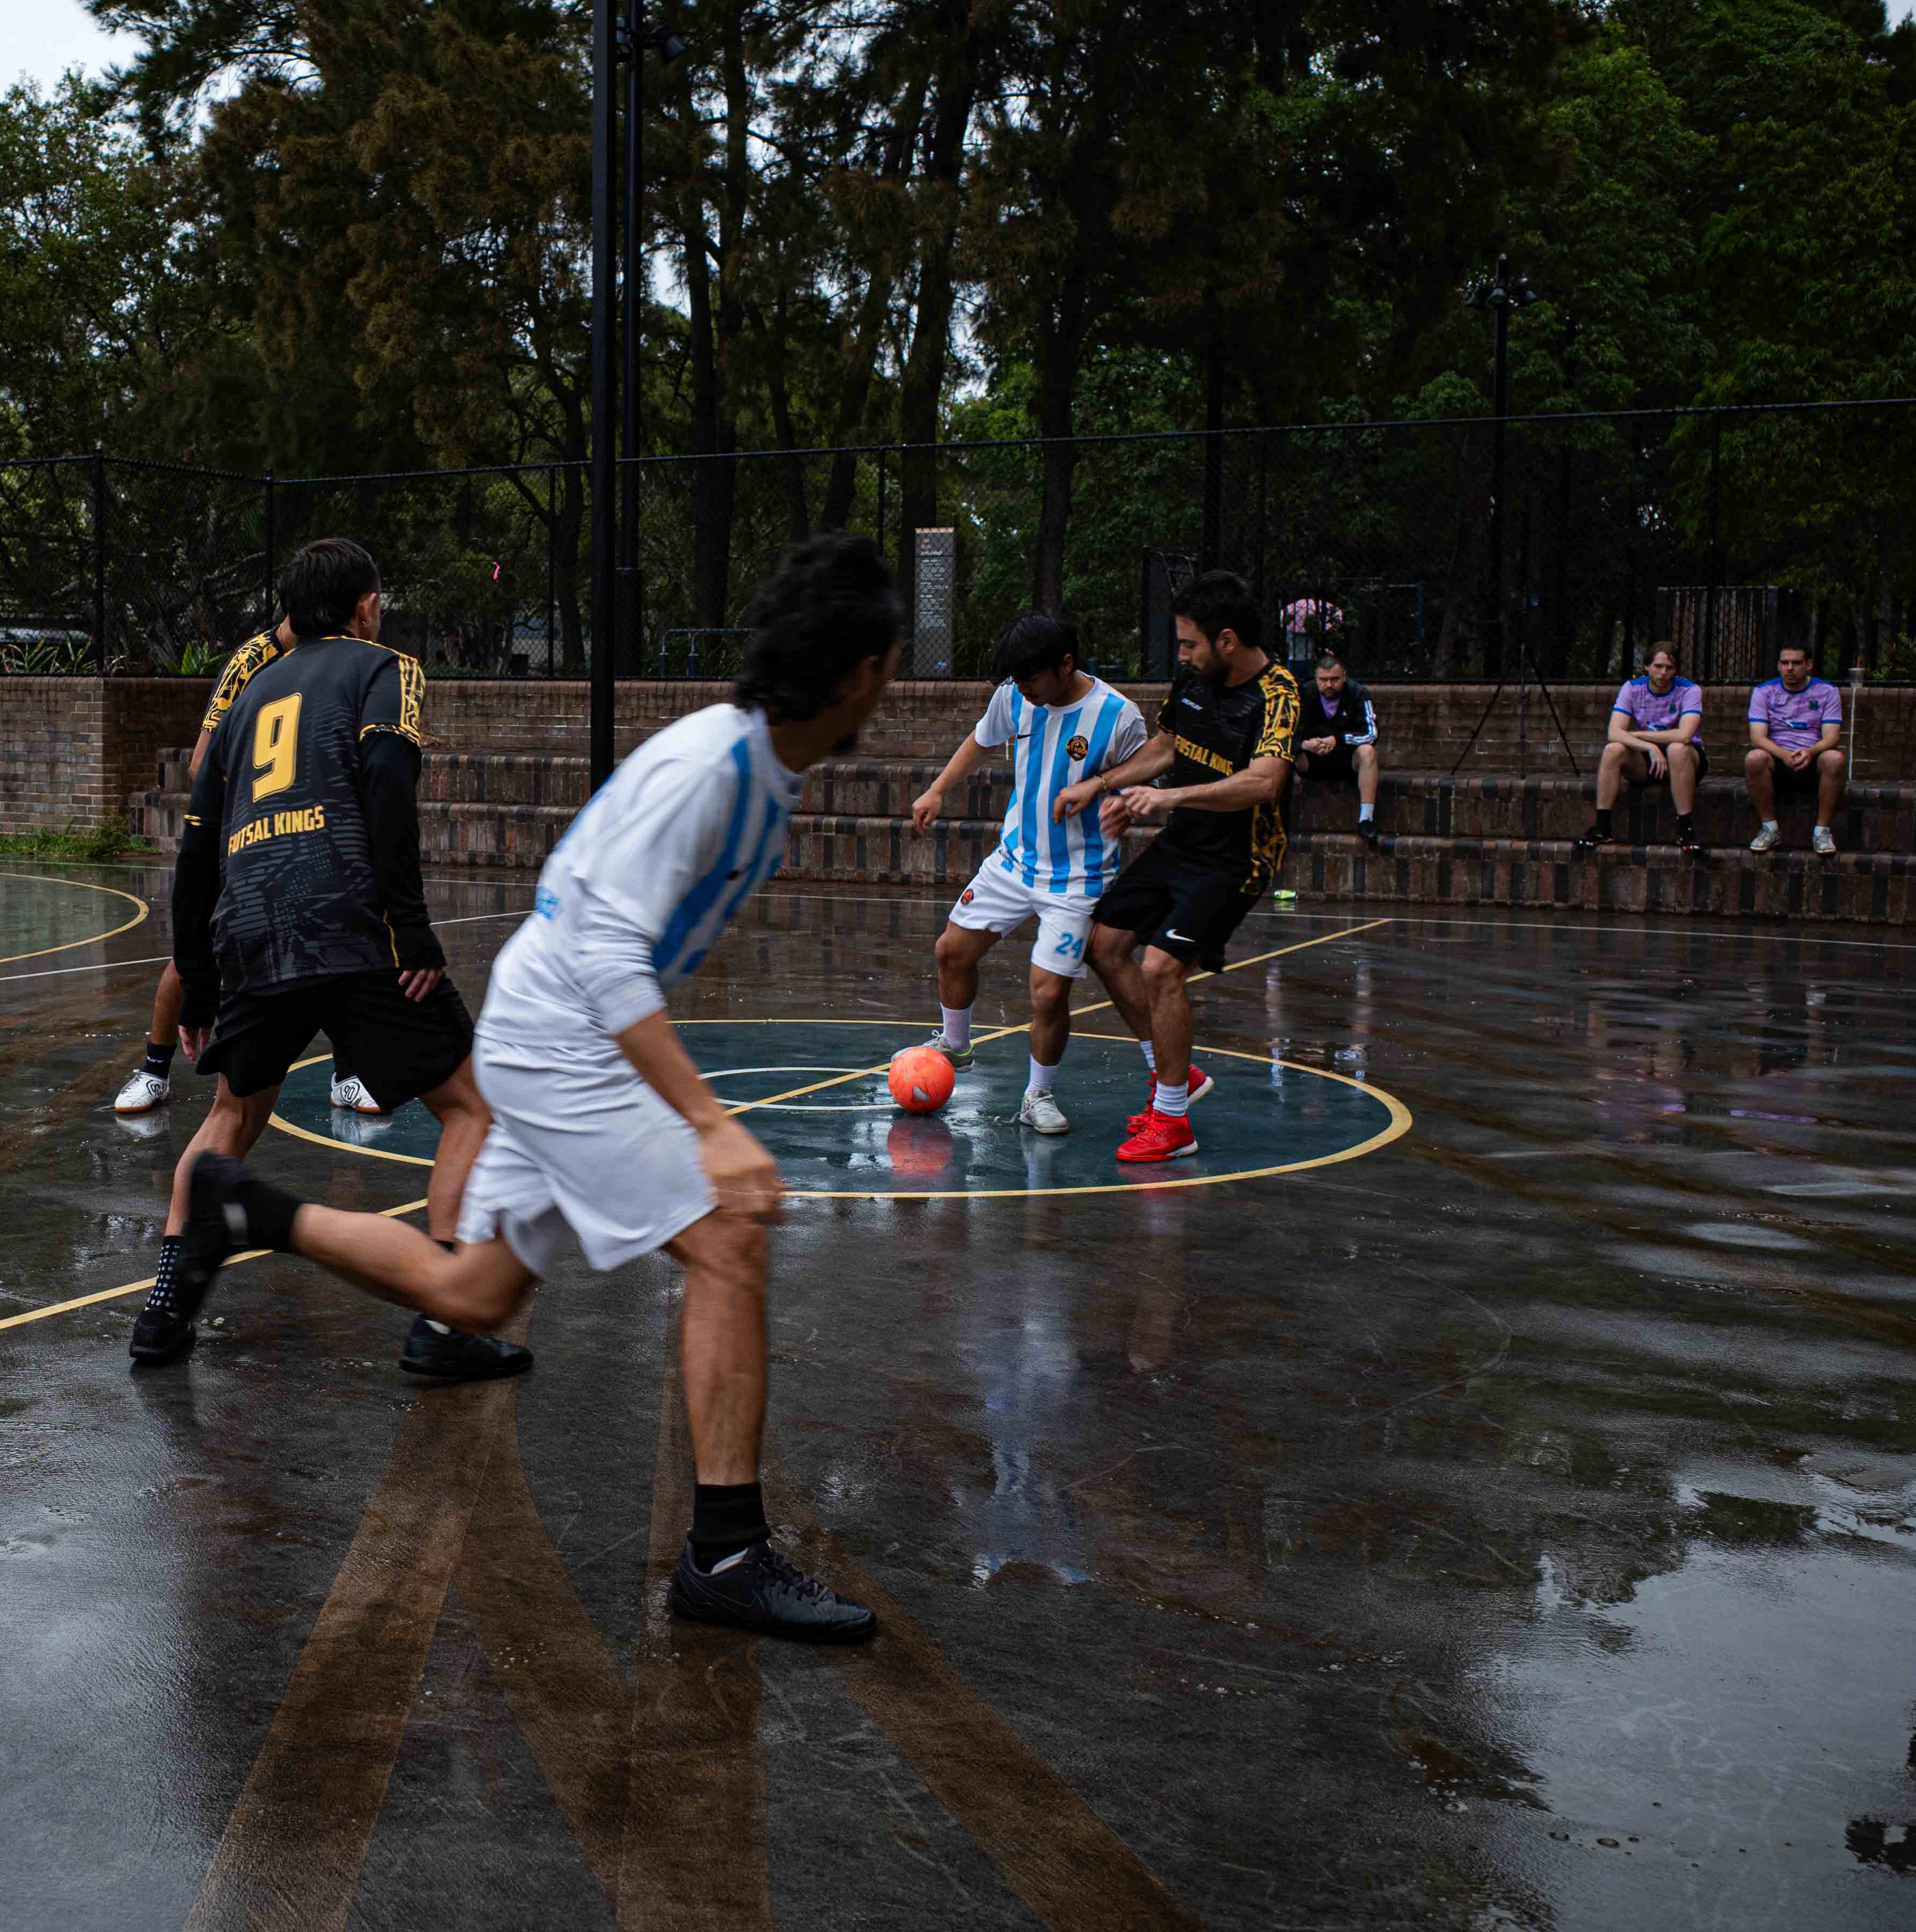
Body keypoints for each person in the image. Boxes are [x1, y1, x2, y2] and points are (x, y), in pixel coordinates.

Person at [168, 534, 901, 1641]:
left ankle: (248, 1211)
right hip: (564, 1039)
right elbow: (606, 956)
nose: (887, 692)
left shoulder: (760, 765)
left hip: (540, 1029)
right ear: (858, 673)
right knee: (727, 1240)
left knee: (472, 1296)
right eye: (888, 673)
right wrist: (709, 1124)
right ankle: (726, 1552)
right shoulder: (715, 767)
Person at [129, 539, 522, 1384]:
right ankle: (444, 1317)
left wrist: (197, 976)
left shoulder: (246, 700)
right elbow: (385, 778)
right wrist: (409, 928)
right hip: (349, 923)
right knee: (471, 1107)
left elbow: (197, 846)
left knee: (232, 1116)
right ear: (366, 606)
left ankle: (161, 1311)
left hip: (254, 925)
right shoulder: (387, 669)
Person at [1059, 570, 1300, 1165]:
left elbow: (1265, 782)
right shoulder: (1195, 681)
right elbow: (1165, 747)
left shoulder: (1279, 693)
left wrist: (1168, 798)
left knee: (1162, 968)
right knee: (1103, 945)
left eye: (1190, 643)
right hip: (1184, 843)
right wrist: (1102, 784)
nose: (1183, 655)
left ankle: (1172, 1123)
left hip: (1238, 858)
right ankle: (1174, 1076)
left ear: (1226, 641)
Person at [114, 614, 379, 1119]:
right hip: (245, 832)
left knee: (331, 939)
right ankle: (154, 1070)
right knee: (195, 951)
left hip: (307, 829)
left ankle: (347, 1073)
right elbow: (201, 763)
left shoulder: (339, 658)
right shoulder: (254, 660)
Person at [906, 613, 1147, 1135]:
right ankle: (957, 1045)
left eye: (1031, 679)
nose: (1022, 690)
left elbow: (1144, 776)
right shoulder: (1014, 697)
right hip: (1014, 861)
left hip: (1078, 878)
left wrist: (1123, 801)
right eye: (1015, 681)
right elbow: (980, 740)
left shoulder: (1118, 716)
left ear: (1066, 665)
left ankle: (1038, 1094)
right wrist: (938, 789)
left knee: (1048, 993)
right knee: (952, 951)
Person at [1577, 640, 1704, 855]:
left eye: (1669, 668)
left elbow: (1684, 735)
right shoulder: (1632, 688)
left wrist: (1639, 735)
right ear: (1647, 666)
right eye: (1658, 666)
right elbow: (1614, 733)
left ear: (1676, 670)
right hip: (1647, 761)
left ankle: (1686, 830)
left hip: (1686, 760)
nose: (1663, 673)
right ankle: (1602, 827)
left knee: (1676, 749)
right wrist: (1651, 748)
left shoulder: (1690, 690)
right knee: (1613, 750)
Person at [1743, 642, 1846, 855]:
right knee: (1754, 758)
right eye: (1785, 663)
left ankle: (1822, 832)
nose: (1790, 668)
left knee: (1835, 759)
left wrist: (1810, 752)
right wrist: (1783, 755)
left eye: (1796, 663)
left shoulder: (1828, 692)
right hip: (1777, 760)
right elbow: (1757, 738)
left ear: (1809, 665)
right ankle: (1769, 829)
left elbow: (1832, 738)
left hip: (1813, 759)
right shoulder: (1764, 692)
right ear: (1778, 665)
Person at [1295, 653, 1385, 852]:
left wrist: (1338, 740)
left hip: (1347, 759)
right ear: (1316, 678)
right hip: (1311, 760)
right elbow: (1286, 732)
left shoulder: (1359, 693)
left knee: (1368, 752)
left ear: (1344, 676)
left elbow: (1371, 734)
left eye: (1335, 679)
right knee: (1286, 753)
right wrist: (1305, 745)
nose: (1329, 685)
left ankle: (1366, 820)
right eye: (1323, 680)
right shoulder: (1303, 694)